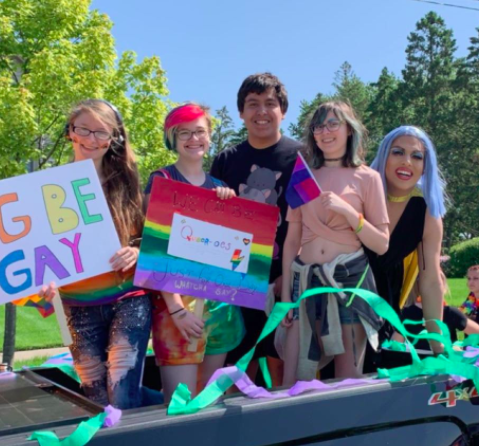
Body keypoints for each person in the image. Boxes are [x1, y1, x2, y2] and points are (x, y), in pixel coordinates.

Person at [38, 99, 157, 410]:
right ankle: (166, 410)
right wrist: (43, 281)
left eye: (101, 133)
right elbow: (38, 248)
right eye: (84, 129)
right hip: (77, 306)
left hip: (128, 299)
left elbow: (151, 239)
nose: (92, 139)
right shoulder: (47, 188)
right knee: (97, 399)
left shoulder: (129, 183)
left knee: (121, 393)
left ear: (113, 138)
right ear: (70, 133)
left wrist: (136, 251)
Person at [280, 101, 390, 386]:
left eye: (333, 124)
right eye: (319, 126)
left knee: (348, 380)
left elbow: (381, 244)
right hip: (305, 284)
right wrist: (285, 299)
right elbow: (292, 240)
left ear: (349, 130)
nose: (325, 132)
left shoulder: (369, 178)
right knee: (293, 379)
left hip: (349, 284)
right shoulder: (303, 175)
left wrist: (349, 213)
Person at [144, 104, 244, 401]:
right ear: (172, 139)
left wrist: (232, 208)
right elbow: (154, 251)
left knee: (207, 400)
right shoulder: (162, 180)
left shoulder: (220, 187)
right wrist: (176, 309)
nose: (193, 138)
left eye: (199, 131)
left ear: (210, 136)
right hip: (177, 307)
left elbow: (234, 254)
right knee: (180, 402)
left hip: (219, 307)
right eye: (184, 132)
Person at [209, 73, 303, 386]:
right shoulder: (226, 160)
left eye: (269, 103)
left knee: (281, 365)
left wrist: (287, 276)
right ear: (241, 113)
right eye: (252, 104)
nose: (261, 111)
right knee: (237, 367)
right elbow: (212, 221)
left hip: (285, 280)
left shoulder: (303, 158)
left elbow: (312, 221)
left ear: (283, 111)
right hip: (236, 280)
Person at [366, 126, 448, 358]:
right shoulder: (360, 195)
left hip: (384, 315)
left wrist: (439, 348)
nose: (407, 162)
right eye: (398, 152)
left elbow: (431, 281)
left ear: (425, 167)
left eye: (417, 156)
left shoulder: (427, 214)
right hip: (341, 307)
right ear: (384, 157)